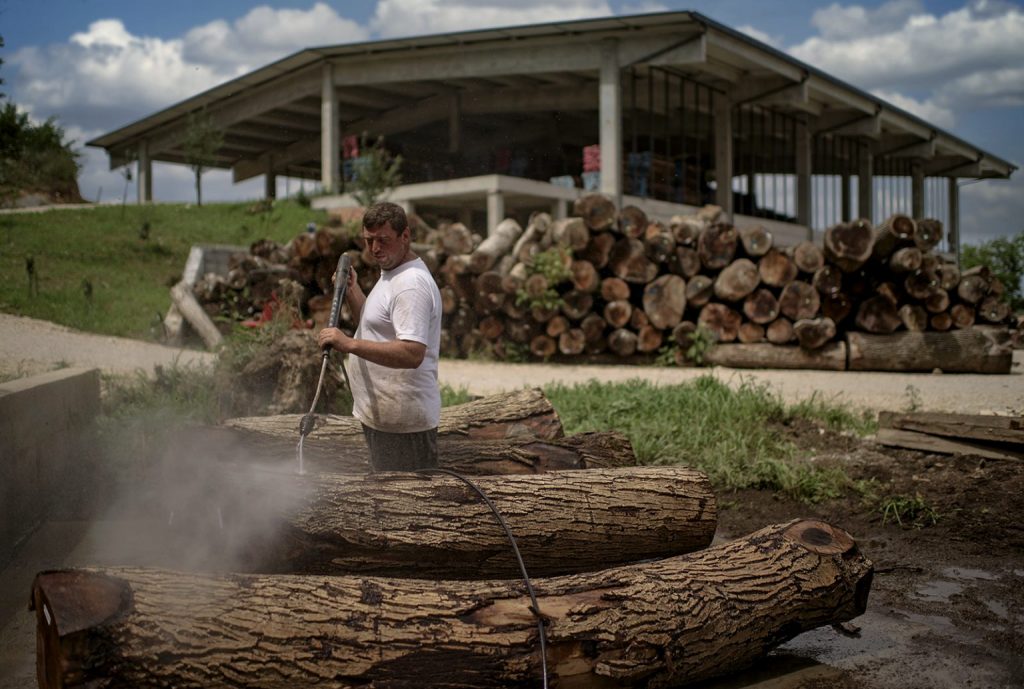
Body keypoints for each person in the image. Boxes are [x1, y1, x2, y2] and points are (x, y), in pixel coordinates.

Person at [318, 202, 443, 471]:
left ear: (405, 236)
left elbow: (412, 353)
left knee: (407, 506)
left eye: (383, 240)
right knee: (389, 502)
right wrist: (353, 292)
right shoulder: (392, 275)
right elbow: (377, 324)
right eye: (369, 240)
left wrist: (349, 344)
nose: (375, 249)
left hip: (404, 427)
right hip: (386, 419)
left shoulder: (411, 285)